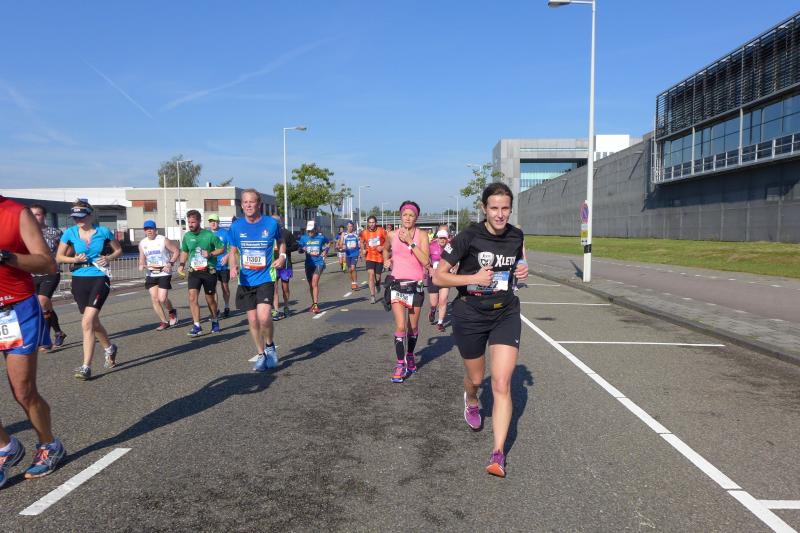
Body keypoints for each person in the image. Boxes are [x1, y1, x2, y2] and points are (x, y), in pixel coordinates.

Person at [433, 182, 529, 478]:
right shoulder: (469, 236)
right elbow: (438, 277)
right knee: (476, 378)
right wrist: (472, 278)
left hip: (505, 313)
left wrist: (522, 269)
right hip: (470, 314)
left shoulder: (516, 235)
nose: (500, 214)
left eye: (505, 208)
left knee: (501, 383)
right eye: (494, 208)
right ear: (484, 209)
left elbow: (518, 263)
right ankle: (472, 399)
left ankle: (498, 454)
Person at [0, 196, 66, 487]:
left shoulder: (15, 213)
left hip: (15, 310)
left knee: (23, 391)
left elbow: (47, 263)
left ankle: (49, 444)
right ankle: (7, 448)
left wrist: (4, 256)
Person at [56, 200, 122, 380]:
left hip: (99, 277)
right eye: (75, 217)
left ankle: (86, 367)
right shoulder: (69, 233)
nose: (78, 220)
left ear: (90, 215)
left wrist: (108, 257)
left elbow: (118, 251)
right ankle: (110, 348)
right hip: (79, 280)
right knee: (93, 322)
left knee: (86, 322)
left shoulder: (103, 231)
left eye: (81, 217)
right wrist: (74, 260)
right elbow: (59, 257)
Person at [228, 190, 286, 372]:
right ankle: (261, 355)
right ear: (241, 205)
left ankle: (270, 345)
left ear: (258, 204)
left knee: (264, 316)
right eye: (245, 202)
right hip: (245, 280)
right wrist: (233, 266)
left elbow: (281, 241)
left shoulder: (271, 223)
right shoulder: (236, 227)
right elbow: (233, 250)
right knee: (253, 320)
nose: (248, 205)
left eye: (251, 202)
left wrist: (282, 256)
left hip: (266, 277)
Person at [383, 201, 429, 383]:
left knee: (413, 327)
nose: (408, 218)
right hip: (397, 285)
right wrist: (387, 260)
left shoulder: (422, 235)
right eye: (405, 215)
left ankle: (410, 354)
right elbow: (385, 249)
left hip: (415, 285)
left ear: (416, 218)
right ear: (400, 216)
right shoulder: (391, 234)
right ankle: (400, 364)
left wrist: (410, 242)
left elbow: (426, 261)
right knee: (401, 326)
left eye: (411, 215)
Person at [177, 210, 224, 337]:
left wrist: (211, 254)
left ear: (199, 221)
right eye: (188, 222)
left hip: (209, 271)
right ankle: (197, 325)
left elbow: (221, 248)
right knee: (192, 297)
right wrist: (181, 265)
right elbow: (185, 251)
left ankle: (215, 319)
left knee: (210, 299)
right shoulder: (187, 236)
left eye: (193, 222)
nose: (190, 224)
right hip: (194, 271)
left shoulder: (209, 235)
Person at [29, 204, 66, 349]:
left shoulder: (55, 232)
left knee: (43, 301)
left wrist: (61, 259)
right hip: (31, 274)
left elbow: (67, 249)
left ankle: (45, 338)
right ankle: (58, 332)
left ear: (44, 216)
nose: (34, 217)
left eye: (37, 214)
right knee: (44, 306)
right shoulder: (25, 232)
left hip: (50, 272)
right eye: (31, 214)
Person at [138, 220, 179, 330]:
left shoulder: (163, 240)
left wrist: (170, 263)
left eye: (151, 228)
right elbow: (142, 258)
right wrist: (141, 264)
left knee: (162, 298)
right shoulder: (142, 243)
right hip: (151, 274)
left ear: (155, 230)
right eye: (146, 229)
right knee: (155, 299)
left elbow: (176, 251)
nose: (149, 231)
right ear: (144, 231)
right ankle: (164, 322)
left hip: (164, 272)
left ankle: (172, 311)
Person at [297, 221, 329, 314]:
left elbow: (328, 243)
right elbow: (299, 250)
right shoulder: (304, 238)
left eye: (311, 230)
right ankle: (313, 303)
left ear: (315, 229)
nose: (310, 232)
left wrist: (325, 251)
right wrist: (302, 249)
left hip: (319, 263)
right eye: (308, 230)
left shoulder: (321, 237)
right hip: (308, 264)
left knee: (314, 282)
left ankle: (315, 305)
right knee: (311, 284)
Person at [271, 215, 297, 320]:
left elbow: (295, 245)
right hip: (273, 264)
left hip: (285, 264)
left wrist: (285, 251)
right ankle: (276, 310)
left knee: (285, 287)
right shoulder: (268, 234)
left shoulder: (286, 233)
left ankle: (286, 307)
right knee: (274, 288)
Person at [427, 225, 451, 332]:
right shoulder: (431, 246)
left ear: (447, 238)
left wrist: (455, 267)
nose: (442, 240)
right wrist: (429, 268)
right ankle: (433, 310)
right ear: (437, 238)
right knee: (434, 302)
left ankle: (440, 323)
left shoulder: (451, 247)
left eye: (444, 238)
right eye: (440, 238)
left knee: (443, 300)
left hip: (446, 277)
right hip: (433, 276)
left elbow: (456, 259)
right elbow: (425, 258)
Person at [208, 214, 231, 319]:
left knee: (224, 287)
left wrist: (226, 256)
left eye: (215, 221)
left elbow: (232, 247)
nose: (213, 223)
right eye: (211, 221)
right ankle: (216, 311)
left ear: (218, 222)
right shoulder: (207, 234)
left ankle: (226, 306)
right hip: (211, 265)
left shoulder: (225, 233)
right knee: (212, 289)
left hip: (223, 266)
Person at [359, 215, 387, 304]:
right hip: (369, 256)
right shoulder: (364, 232)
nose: (371, 224)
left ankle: (378, 283)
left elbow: (388, 241)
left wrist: (382, 247)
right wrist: (363, 250)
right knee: (371, 274)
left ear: (376, 223)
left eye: (373, 222)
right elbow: (361, 242)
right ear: (367, 223)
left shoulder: (381, 230)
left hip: (379, 257)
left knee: (377, 277)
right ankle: (372, 296)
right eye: (370, 222)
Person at [339, 221, 361, 291]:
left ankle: (355, 283)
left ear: (353, 227)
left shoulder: (356, 234)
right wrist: (342, 246)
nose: (350, 228)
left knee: (353, 268)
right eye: (348, 226)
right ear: (347, 227)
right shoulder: (344, 234)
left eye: (351, 226)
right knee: (349, 270)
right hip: (348, 254)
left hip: (355, 253)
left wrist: (360, 253)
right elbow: (340, 244)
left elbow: (360, 243)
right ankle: (352, 282)